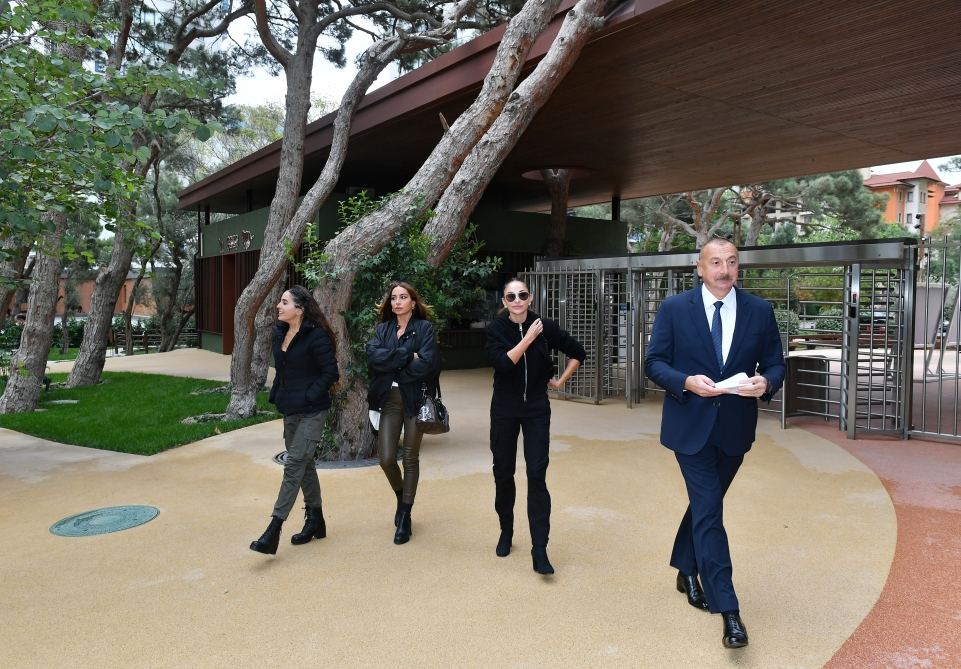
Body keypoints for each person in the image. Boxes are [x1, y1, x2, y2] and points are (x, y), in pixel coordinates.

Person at [644, 238, 785, 648]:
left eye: (732, 262)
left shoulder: (760, 311)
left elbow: (775, 362)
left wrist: (766, 382)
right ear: (699, 268)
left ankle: (685, 567)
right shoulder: (674, 309)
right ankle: (730, 610)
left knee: (706, 506)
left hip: (735, 429)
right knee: (710, 513)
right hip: (689, 428)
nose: (724, 270)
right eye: (716, 262)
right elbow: (654, 362)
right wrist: (684, 381)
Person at [485, 278, 585, 575]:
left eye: (522, 295)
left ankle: (539, 549)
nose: (517, 300)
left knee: (537, 475)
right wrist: (528, 338)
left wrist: (561, 380)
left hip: (537, 409)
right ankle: (506, 530)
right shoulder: (496, 330)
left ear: (530, 298)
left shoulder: (545, 325)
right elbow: (504, 364)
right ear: (504, 302)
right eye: (511, 296)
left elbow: (578, 351)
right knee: (503, 473)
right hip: (504, 408)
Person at [250, 285, 339, 555]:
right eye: (280, 301)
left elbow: (330, 373)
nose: (278, 306)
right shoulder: (279, 333)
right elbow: (284, 370)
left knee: (294, 465)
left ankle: (274, 529)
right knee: (305, 465)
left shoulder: (317, 336)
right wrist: (278, 393)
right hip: (290, 410)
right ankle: (316, 520)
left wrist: (310, 394)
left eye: (284, 302)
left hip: (312, 411)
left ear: (299, 309)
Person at [366, 281, 441, 545]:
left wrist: (393, 363)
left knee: (410, 457)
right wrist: (409, 356)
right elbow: (373, 358)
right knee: (386, 458)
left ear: (413, 302)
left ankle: (406, 514)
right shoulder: (383, 329)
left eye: (403, 297)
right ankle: (401, 497)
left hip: (414, 398)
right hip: (389, 399)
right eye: (394, 297)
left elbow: (429, 364)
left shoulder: (424, 328)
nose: (398, 301)